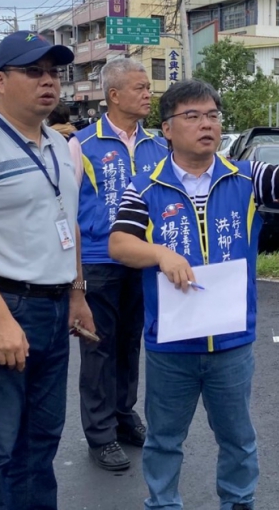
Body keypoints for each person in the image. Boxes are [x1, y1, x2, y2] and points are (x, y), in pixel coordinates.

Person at [108, 80, 279, 510]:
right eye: (192, 116)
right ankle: (162, 504)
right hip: (171, 343)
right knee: (164, 440)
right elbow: (120, 244)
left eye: (212, 115)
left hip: (231, 341)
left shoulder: (245, 177)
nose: (206, 124)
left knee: (238, 439)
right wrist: (160, 253)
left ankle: (238, 502)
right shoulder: (145, 187)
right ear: (167, 130)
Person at [0, 30, 96, 510]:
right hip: (0, 306)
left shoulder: (57, 144)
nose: (49, 82)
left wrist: (76, 294)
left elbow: (66, 224)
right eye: (34, 72)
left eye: (54, 73)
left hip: (52, 307)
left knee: (42, 442)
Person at [68, 57, 168, 470]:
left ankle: (125, 416)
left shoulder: (158, 145)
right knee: (98, 351)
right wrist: (74, 283)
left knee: (130, 345)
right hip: (96, 264)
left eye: (148, 87)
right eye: (140, 87)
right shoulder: (81, 145)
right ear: (114, 95)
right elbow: (67, 214)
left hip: (141, 263)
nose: (149, 94)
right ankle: (100, 433)